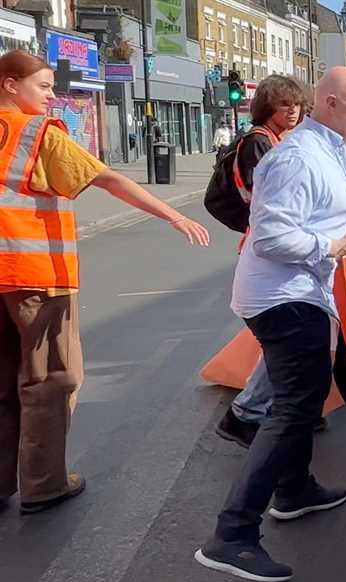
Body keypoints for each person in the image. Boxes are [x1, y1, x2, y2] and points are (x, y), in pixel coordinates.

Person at [193, 67, 346, 582]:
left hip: (310, 294)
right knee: (293, 407)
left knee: (320, 389)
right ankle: (233, 535)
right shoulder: (297, 158)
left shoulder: (343, 149)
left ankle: (295, 488)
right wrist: (333, 246)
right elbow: (271, 239)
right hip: (285, 298)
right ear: (330, 103)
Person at [0, 49, 209, 514]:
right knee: (52, 380)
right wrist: (173, 214)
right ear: (11, 85)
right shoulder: (35, 134)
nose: (53, 96)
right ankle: (43, 482)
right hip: (35, 277)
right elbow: (107, 179)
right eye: (45, 86)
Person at [214, 75, 317, 449]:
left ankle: (263, 409)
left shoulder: (271, 141)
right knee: (287, 344)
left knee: (285, 345)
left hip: (269, 248)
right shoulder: (259, 143)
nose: (292, 110)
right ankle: (248, 412)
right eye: (283, 104)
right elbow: (275, 201)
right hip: (270, 252)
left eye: (296, 103)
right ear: (266, 107)